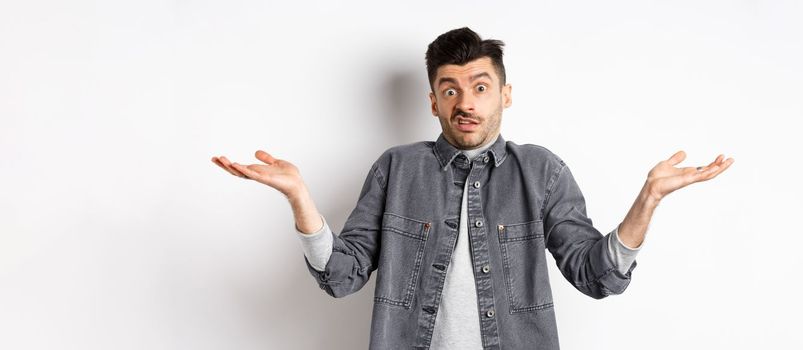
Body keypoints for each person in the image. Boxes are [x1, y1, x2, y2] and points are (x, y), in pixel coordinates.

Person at [212, 27, 733, 350]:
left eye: (480, 87)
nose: (466, 102)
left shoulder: (541, 171)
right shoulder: (397, 168)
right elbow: (341, 278)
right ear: (433, 101)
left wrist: (649, 200)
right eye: (450, 89)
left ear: (504, 94)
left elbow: (597, 277)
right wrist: (300, 198)